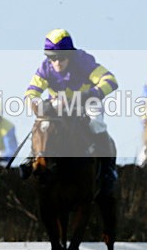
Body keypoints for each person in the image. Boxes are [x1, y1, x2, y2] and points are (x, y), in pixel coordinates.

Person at [23, 28, 118, 196]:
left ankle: (107, 169)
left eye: (62, 58)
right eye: (53, 58)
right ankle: (31, 159)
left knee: (97, 124)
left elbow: (111, 81)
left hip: (86, 102)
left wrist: (86, 95)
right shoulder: (45, 68)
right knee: (42, 125)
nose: (57, 63)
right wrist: (40, 105)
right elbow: (31, 93)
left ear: (70, 55)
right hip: (58, 107)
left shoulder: (83, 61)